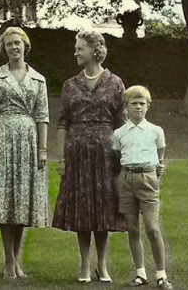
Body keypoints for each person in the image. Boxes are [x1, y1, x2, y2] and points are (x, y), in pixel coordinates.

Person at [52, 30, 126, 283]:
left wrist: (123, 159)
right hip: (77, 154)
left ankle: (102, 265)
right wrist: (61, 159)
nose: (75, 52)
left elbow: (122, 123)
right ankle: (85, 264)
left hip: (107, 155)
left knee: (103, 210)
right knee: (82, 210)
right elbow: (62, 123)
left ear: (95, 51)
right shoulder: (70, 85)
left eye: (80, 47)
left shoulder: (115, 82)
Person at [0, 26, 49, 279]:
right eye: (9, 44)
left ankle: (17, 260)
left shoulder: (38, 78)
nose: (14, 47)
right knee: (5, 200)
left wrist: (43, 150)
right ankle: (8, 261)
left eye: (17, 43)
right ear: (4, 48)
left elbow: (43, 116)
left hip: (28, 140)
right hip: (3, 138)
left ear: (25, 46)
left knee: (22, 202)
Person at [112, 86, 173, 289]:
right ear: (126, 106)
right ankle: (140, 274)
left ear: (148, 106)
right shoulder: (119, 133)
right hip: (126, 178)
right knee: (132, 228)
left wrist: (158, 168)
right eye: (133, 104)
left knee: (153, 228)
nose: (138, 107)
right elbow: (117, 157)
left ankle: (162, 275)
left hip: (148, 179)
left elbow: (160, 154)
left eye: (142, 103)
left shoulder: (156, 131)